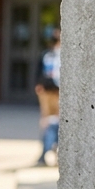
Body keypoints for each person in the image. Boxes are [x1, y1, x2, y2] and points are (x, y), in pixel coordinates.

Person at [35, 28, 61, 166]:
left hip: (59, 91)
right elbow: (40, 70)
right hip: (47, 90)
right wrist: (39, 84)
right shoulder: (47, 54)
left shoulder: (64, 54)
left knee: (57, 122)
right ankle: (44, 151)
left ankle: (55, 150)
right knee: (47, 121)